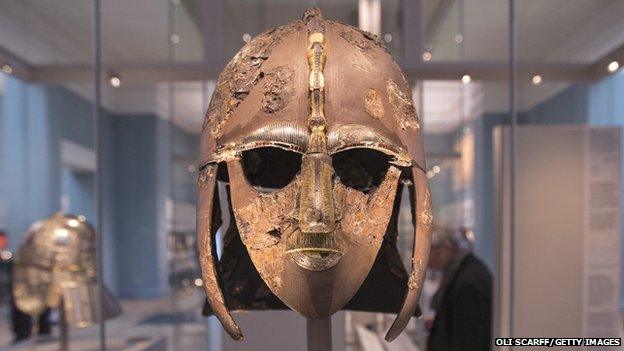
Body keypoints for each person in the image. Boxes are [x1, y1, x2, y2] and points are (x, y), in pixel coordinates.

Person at [426, 226, 492, 351]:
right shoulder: (461, 270)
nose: (426, 261)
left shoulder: (468, 281)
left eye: (429, 253)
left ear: (447, 248)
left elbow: (468, 341)